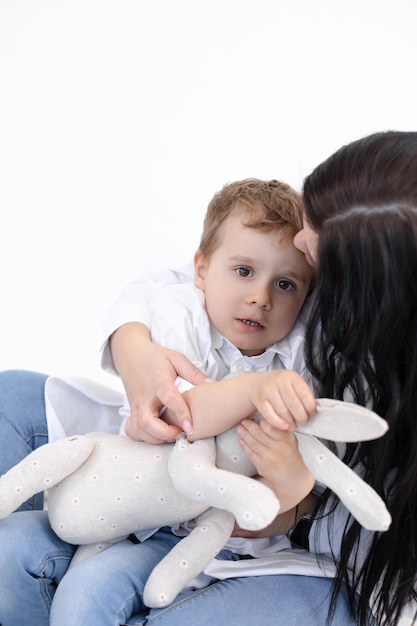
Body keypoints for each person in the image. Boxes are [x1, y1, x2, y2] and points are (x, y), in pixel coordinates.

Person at [1, 130, 417, 624]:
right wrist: (134, 347)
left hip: (295, 551)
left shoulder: (322, 349)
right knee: (13, 432)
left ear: (366, 300)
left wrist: (292, 499)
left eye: (303, 269)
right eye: (307, 228)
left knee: (105, 594)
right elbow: (195, 274)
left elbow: (303, 506)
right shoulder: (302, 285)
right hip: (149, 486)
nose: (263, 296)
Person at [0, 178, 317, 626]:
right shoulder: (182, 314)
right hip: (136, 497)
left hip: (219, 533)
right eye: (244, 271)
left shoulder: (301, 357)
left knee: (90, 594)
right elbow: (180, 417)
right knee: (51, 566)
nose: (260, 298)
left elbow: (303, 464)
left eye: (285, 284)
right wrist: (251, 391)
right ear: (202, 270)